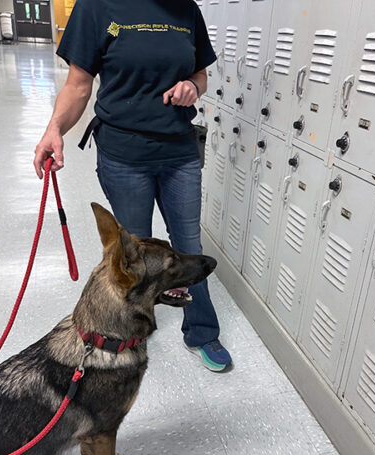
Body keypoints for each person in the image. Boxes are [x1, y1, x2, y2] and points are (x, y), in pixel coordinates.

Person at [33, 0, 232, 372]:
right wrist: (54, 130)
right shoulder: (96, 7)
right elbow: (78, 86)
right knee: (134, 255)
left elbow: (201, 75)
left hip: (179, 152)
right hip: (124, 154)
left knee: (188, 243)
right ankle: (127, 337)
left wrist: (192, 86)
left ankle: (202, 332)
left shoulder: (186, 10)